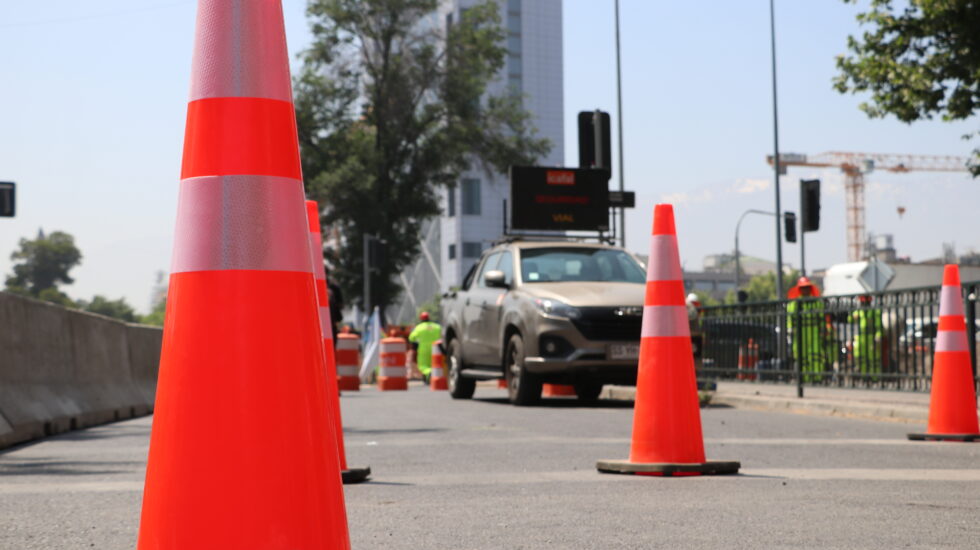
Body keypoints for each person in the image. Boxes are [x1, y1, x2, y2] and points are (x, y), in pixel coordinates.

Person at [787, 277, 828, 382]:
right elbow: (790, 319)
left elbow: (822, 319)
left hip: (814, 334)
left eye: (807, 287)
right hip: (800, 335)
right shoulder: (793, 304)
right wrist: (790, 329)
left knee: (815, 356)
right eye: (803, 288)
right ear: (799, 289)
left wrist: (823, 330)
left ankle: (817, 377)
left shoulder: (817, 303)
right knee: (802, 357)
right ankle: (804, 378)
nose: (805, 290)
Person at [850, 294, 882, 381]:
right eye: (861, 302)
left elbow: (879, 326)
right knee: (862, 358)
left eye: (864, 302)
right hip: (861, 337)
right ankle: (864, 376)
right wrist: (852, 316)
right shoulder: (858, 312)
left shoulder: (875, 311)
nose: (862, 304)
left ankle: (875, 377)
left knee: (873, 358)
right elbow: (850, 319)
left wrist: (878, 336)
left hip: (871, 337)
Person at [407, 312, 441, 382]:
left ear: (421, 319)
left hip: (424, 349)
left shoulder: (419, 327)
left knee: (423, 365)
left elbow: (411, 338)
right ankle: (434, 375)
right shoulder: (437, 327)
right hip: (436, 349)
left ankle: (429, 372)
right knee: (435, 364)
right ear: (429, 318)